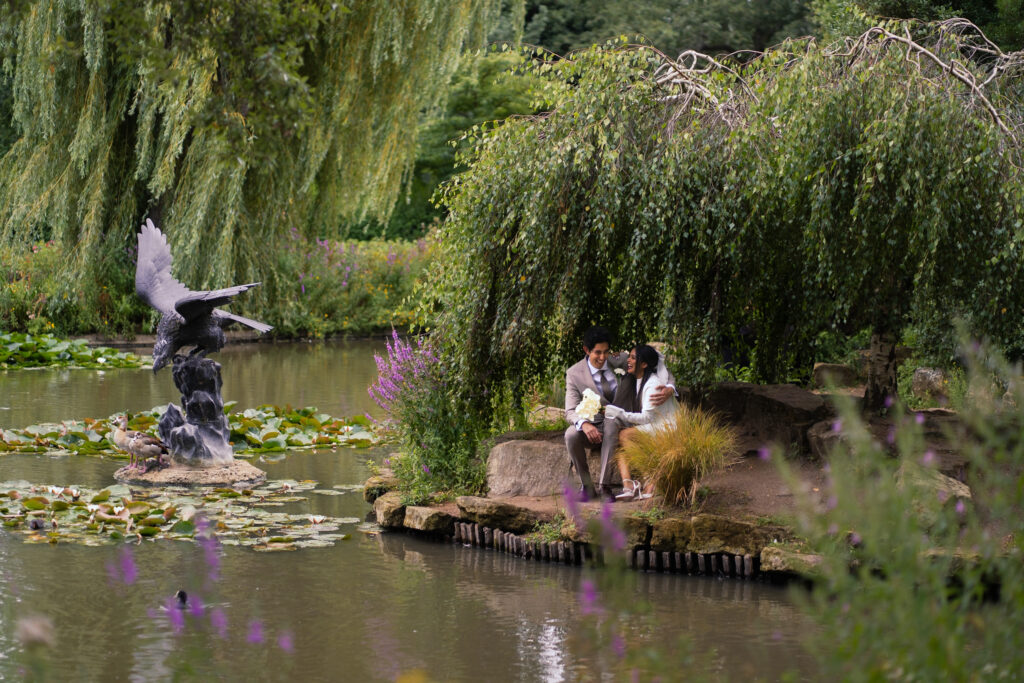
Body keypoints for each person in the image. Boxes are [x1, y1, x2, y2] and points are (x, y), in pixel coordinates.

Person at [564, 327, 675, 502]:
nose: (603, 358)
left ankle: (604, 487)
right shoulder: (574, 374)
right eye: (597, 353)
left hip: (621, 421)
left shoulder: (622, 360)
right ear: (586, 350)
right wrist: (584, 424)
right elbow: (570, 410)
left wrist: (670, 387)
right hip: (592, 424)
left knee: (611, 424)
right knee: (570, 434)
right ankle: (587, 486)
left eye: (606, 352)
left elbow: (658, 365)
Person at [605, 344, 680, 501]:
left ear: (644, 364)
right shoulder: (636, 375)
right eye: (629, 356)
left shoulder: (653, 384)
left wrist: (620, 414)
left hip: (666, 427)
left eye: (633, 358)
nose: (629, 361)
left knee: (625, 435)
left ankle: (651, 479)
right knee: (620, 448)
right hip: (652, 425)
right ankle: (628, 485)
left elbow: (647, 418)